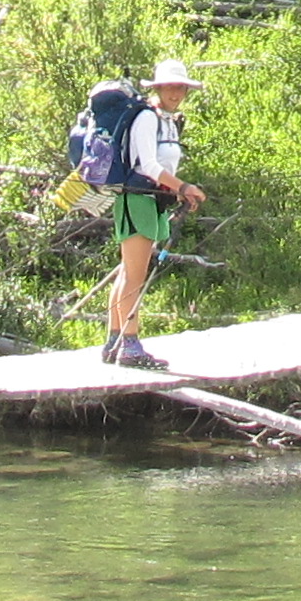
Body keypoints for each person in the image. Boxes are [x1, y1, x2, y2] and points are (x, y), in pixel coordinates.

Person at [103, 58, 207, 369]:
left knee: (128, 272)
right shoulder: (147, 118)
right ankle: (130, 347)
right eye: (170, 87)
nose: (176, 93)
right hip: (137, 199)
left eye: (181, 88)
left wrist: (178, 190)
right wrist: (183, 186)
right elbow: (148, 165)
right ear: (158, 88)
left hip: (152, 200)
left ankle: (115, 342)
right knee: (134, 276)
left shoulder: (168, 120)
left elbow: (163, 165)